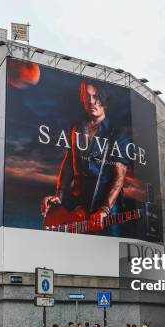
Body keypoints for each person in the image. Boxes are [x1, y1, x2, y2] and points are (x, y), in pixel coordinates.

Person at [40, 80, 136, 236]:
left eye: (96, 96)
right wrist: (60, 194)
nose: (91, 101)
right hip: (79, 209)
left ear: (104, 98)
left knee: (108, 255)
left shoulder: (117, 134)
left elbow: (119, 178)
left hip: (107, 212)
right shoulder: (77, 128)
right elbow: (70, 164)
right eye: (87, 96)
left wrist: (104, 210)